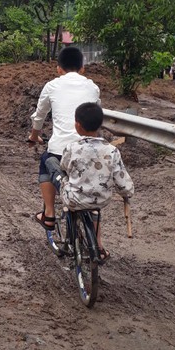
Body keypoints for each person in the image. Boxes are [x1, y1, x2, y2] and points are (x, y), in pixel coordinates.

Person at [45, 102, 134, 260]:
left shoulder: (72, 147)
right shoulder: (112, 150)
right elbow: (122, 181)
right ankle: (98, 246)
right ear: (100, 125)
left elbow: (64, 166)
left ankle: (51, 213)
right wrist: (126, 193)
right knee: (93, 203)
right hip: (100, 199)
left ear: (77, 125)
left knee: (51, 163)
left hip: (74, 198)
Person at [27, 46, 100, 231]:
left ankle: (49, 214)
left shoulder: (52, 86)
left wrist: (34, 135)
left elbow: (39, 116)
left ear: (58, 68)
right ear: (82, 68)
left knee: (45, 162)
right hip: (89, 150)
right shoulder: (92, 87)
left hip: (61, 151)